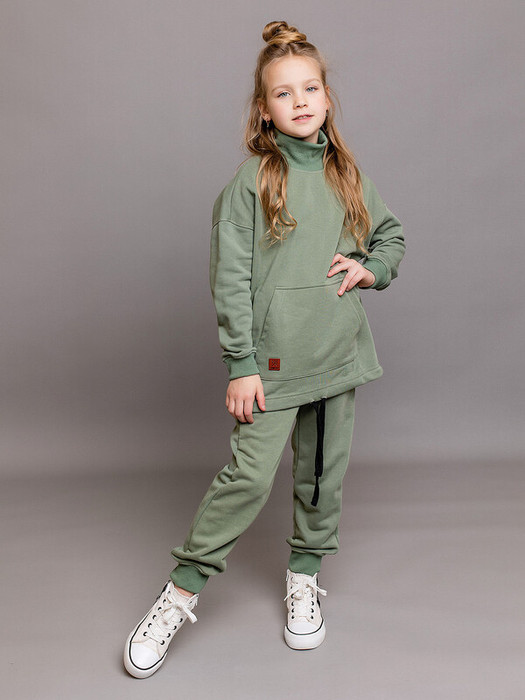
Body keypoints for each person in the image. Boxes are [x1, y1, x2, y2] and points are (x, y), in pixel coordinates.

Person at [123, 20, 405, 678]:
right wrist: (241, 366)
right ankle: (180, 592)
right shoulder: (251, 183)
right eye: (284, 93)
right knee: (248, 478)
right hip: (273, 366)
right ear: (263, 110)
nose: (300, 101)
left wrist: (370, 269)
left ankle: (303, 578)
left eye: (311, 88)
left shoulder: (346, 175)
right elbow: (230, 281)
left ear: (327, 97)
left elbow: (389, 237)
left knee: (320, 477)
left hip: (336, 358)